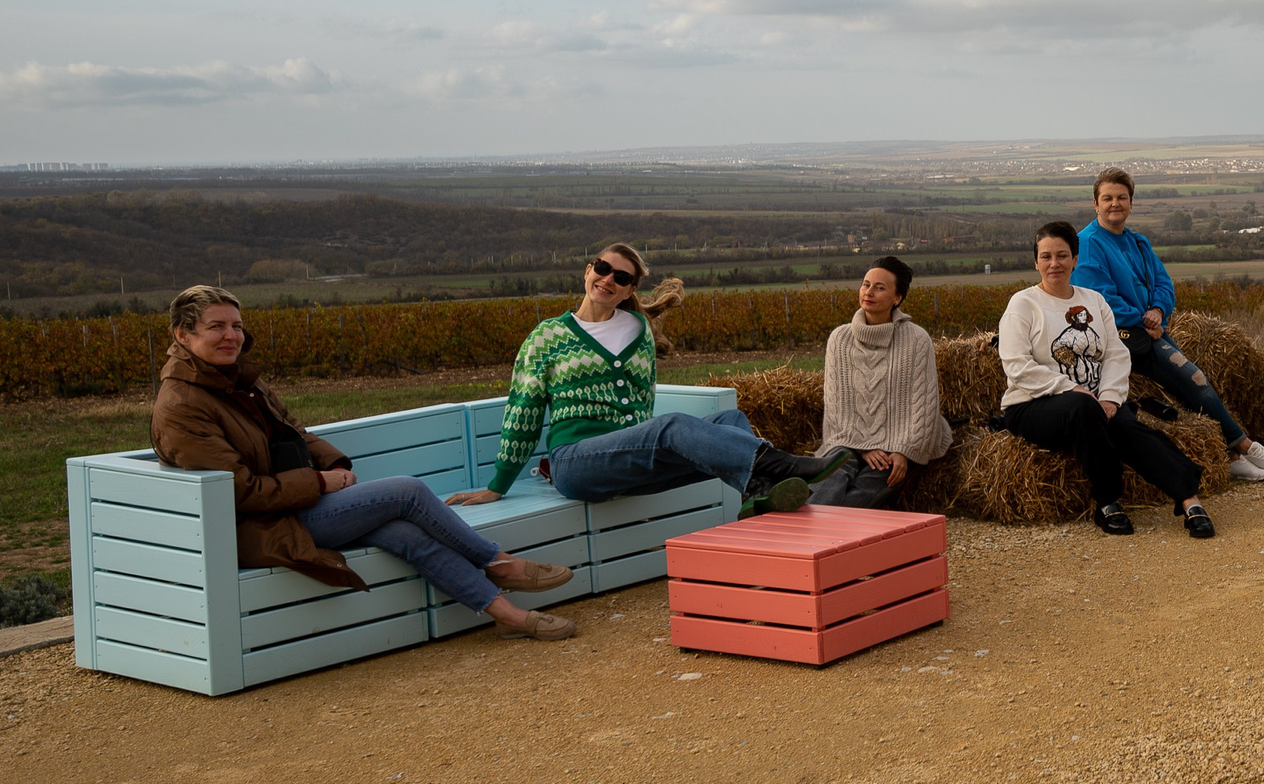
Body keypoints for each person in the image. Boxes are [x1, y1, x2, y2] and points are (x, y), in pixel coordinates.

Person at [151, 283, 582, 642]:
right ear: (183, 335)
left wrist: (335, 465)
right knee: (408, 490)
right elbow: (240, 491)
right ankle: (497, 562)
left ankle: (507, 615)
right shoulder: (183, 405)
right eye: (217, 327)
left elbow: (296, 433)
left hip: (293, 505)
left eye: (236, 326)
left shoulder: (241, 380)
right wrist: (320, 483)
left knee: (403, 532)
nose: (231, 336)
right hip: (260, 527)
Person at [446, 243, 844, 518]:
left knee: (729, 420)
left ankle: (757, 492)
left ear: (629, 290)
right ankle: (783, 463)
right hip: (577, 465)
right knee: (670, 427)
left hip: (631, 465)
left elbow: (642, 406)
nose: (608, 279)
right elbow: (524, 412)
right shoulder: (547, 337)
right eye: (602, 268)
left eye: (621, 277)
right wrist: (499, 484)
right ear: (588, 271)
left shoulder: (639, 332)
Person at [999, 221, 1216, 537]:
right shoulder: (1023, 304)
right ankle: (1107, 500)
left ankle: (1188, 500)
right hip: (1033, 406)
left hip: (1096, 403)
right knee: (1083, 409)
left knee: (1128, 427)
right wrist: (1074, 389)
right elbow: (1017, 366)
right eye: (1046, 257)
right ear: (1036, 263)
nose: (1054, 263)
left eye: (1062, 255)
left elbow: (1115, 353)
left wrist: (1111, 397)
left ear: (1075, 260)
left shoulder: (1094, 301)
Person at [1077, 168, 1264, 483]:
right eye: (1107, 198)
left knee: (1195, 380)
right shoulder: (1088, 244)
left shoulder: (1138, 242)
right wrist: (1144, 319)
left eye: (1122, 197)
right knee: (1193, 379)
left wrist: (1158, 312)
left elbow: (1164, 284)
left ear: (1131, 203)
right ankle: (1245, 445)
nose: (1115, 204)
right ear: (1095, 204)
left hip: (1149, 329)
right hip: (1121, 338)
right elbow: (1101, 299)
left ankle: (1232, 458)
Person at [811, 256, 951, 509]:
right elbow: (835, 406)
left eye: (880, 287)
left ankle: (819, 520)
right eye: (866, 285)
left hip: (898, 440)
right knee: (837, 467)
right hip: (848, 438)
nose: (869, 292)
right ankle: (809, 518)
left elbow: (924, 406)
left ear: (897, 298)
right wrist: (863, 447)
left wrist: (904, 451)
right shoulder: (840, 339)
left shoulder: (916, 340)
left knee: (873, 479)